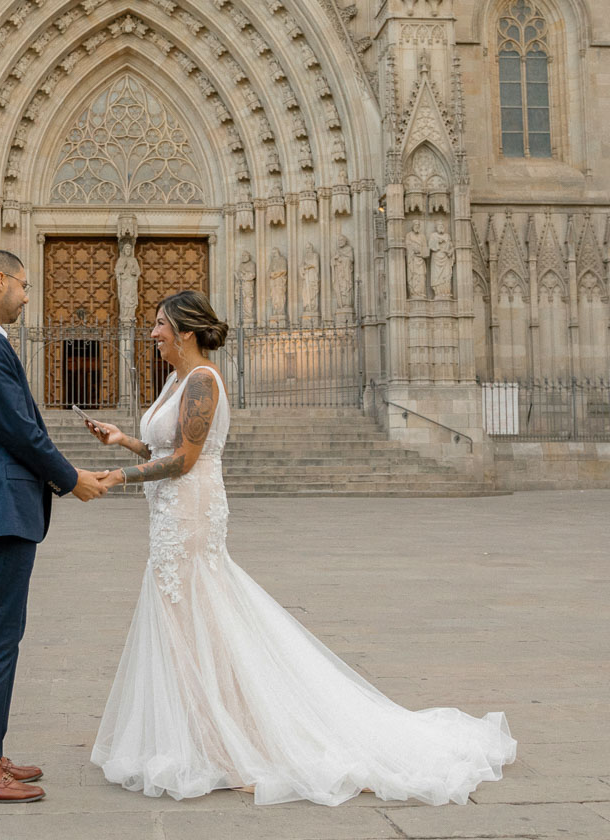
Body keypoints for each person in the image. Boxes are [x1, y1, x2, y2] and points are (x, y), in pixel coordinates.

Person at [85, 289, 516, 805]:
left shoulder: (202, 381)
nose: (152, 333)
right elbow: (164, 446)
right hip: (170, 512)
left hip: (190, 512)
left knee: (196, 623)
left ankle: (228, 746)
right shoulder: (178, 381)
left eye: (159, 324)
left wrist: (119, 476)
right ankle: (213, 737)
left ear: (187, 331)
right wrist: (122, 442)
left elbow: (185, 459)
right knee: (192, 624)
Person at [0, 249, 107, 804]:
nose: (30, 298)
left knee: (2, 634)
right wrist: (70, 478)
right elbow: (18, 429)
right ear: (1, 280)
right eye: (26, 287)